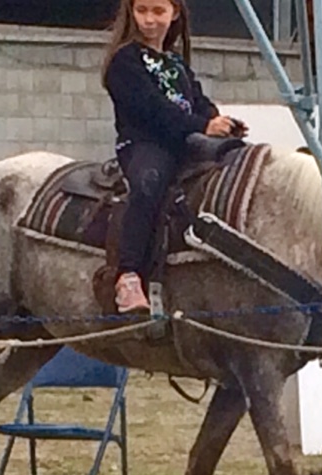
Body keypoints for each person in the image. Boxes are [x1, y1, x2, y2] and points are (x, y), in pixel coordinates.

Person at [103, 0, 246, 314]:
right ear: (131, 11)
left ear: (175, 14)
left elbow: (197, 100)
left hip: (184, 141)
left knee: (235, 162)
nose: (149, 20)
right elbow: (151, 109)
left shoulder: (176, 62)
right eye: (142, 11)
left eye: (158, 11)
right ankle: (128, 275)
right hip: (143, 144)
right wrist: (202, 125)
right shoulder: (124, 61)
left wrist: (219, 121)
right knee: (148, 184)